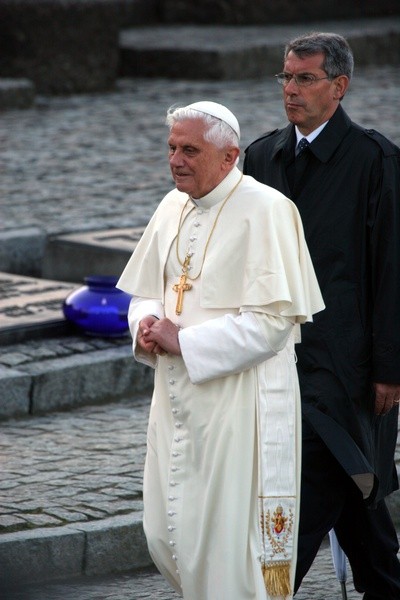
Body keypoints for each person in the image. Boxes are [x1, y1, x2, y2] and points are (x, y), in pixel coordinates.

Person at [117, 100, 324, 599]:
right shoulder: (171, 206)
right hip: (175, 397)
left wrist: (184, 341)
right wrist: (144, 321)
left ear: (229, 156)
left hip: (239, 404)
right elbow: (146, 288)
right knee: (168, 534)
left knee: (227, 543)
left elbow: (275, 322)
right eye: (171, 148)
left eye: (190, 150)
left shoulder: (269, 210)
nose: (175, 160)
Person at [243, 32, 400, 599]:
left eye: (304, 78)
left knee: (317, 487)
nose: (291, 89)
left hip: (348, 365)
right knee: (357, 492)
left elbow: (392, 269)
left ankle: (264, 590)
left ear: (339, 86)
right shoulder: (261, 157)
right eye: (285, 77)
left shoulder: (375, 160)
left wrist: (390, 366)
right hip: (278, 358)